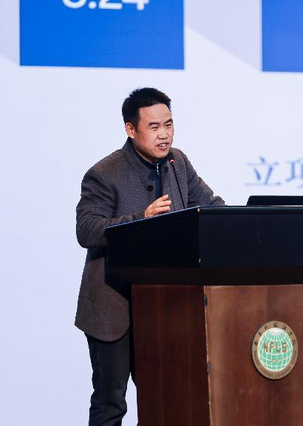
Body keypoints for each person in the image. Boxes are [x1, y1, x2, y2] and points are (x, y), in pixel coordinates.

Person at [75, 87, 224, 425]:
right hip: (113, 307)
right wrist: (141, 219)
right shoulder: (105, 173)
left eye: (168, 124)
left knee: (164, 397)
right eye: (154, 127)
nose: (164, 134)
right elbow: (86, 230)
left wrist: (238, 221)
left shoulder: (177, 163)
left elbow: (209, 205)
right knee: (111, 402)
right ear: (131, 129)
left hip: (163, 306)